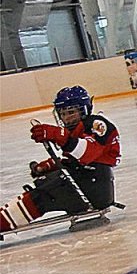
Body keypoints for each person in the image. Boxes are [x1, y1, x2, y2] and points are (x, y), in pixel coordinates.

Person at [0, 86, 121, 233]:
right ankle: (4, 217)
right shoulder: (76, 129)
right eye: (62, 113)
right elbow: (73, 159)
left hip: (94, 188)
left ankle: (3, 221)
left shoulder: (97, 124)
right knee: (44, 186)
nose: (66, 117)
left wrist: (58, 134)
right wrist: (47, 166)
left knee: (43, 195)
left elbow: (88, 153)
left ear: (84, 109)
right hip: (86, 181)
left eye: (71, 112)